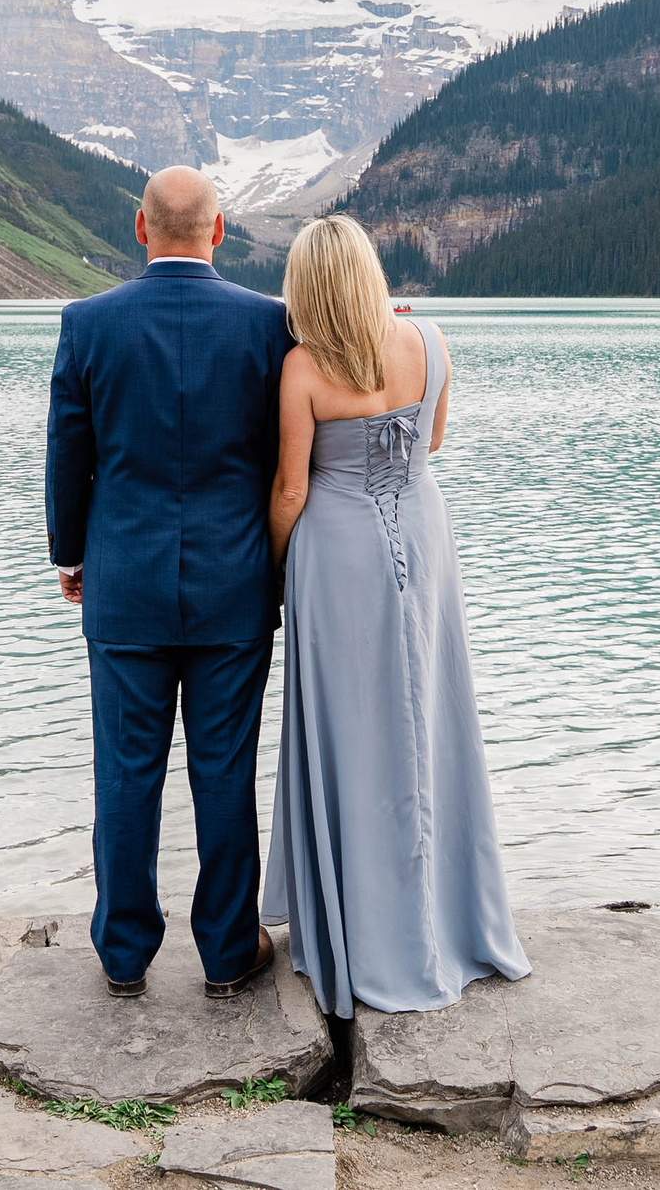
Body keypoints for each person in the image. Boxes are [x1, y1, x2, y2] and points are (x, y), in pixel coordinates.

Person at [260, 214, 529, 1017]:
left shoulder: (303, 366)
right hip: (422, 532)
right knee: (431, 718)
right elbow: (432, 443)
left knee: (354, 730)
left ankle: (364, 928)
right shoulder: (431, 342)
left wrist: (276, 574)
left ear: (307, 286)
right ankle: (446, 918)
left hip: (335, 553)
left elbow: (291, 490)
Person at [46, 165, 294, 999]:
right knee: (225, 769)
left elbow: (68, 457)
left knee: (125, 770)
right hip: (235, 586)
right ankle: (227, 956)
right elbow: (287, 460)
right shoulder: (270, 326)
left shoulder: (88, 324)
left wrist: (70, 555)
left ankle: (123, 957)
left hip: (125, 586)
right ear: (219, 232)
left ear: (141, 227)